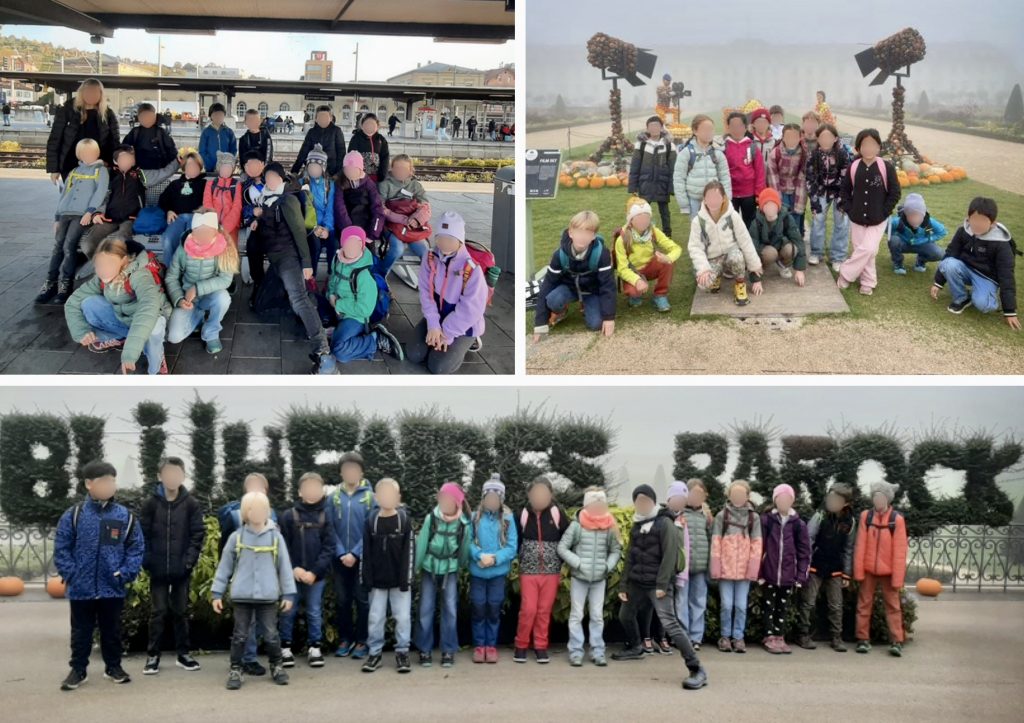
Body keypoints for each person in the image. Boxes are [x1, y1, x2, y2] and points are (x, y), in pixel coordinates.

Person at [54, 460, 144, 691]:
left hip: (111, 585)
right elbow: (62, 548)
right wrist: (72, 574)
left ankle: (113, 667)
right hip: (81, 587)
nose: (110, 485)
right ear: (89, 484)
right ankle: (78, 670)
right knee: (81, 631)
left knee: (112, 630)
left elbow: (136, 548)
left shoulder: (125, 516)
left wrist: (124, 573)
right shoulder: (74, 515)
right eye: (104, 481)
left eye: (112, 481)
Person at [611, 485, 707, 691]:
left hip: (658, 584)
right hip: (637, 582)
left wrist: (663, 585)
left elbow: (670, 555)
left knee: (670, 624)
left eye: (646, 500)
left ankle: (696, 668)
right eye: (638, 501)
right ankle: (636, 647)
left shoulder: (665, 523)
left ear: (653, 502)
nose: (642, 504)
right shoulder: (637, 524)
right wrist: (624, 584)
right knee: (625, 615)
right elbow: (630, 557)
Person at [212, 491, 296, 689]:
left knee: (271, 635)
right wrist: (217, 592)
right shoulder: (236, 538)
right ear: (245, 512)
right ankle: (236, 669)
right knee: (240, 634)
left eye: (261, 509)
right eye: (252, 509)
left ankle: (277, 666)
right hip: (242, 596)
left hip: (267, 596)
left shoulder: (276, 538)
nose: (257, 512)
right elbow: (224, 567)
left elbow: (284, 566)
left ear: (267, 511)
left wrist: (288, 593)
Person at [251, 162, 330, 359]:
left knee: (298, 300)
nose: (269, 181)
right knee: (260, 306)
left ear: (281, 179)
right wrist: (257, 220)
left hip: (288, 258)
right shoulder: (267, 199)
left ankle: (321, 344)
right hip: (275, 260)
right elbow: (272, 223)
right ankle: (302, 302)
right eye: (267, 177)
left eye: (273, 177)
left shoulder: (288, 200)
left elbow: (298, 232)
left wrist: (306, 264)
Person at [64, 236, 170, 374]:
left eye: (110, 264)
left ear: (124, 261)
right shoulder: (101, 277)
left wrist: (130, 354)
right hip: (127, 318)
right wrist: (80, 331)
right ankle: (124, 337)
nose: (104, 270)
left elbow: (148, 310)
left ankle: (156, 359)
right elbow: (73, 302)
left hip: (152, 318)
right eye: (99, 265)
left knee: (153, 331)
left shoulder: (140, 275)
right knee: (88, 303)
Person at [140, 457, 205, 675]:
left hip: (181, 569)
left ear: (183, 476)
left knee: (181, 612)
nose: (172, 478)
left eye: (177, 473)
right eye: (167, 473)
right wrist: (147, 560)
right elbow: (143, 535)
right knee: (158, 612)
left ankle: (183, 654)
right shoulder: (150, 503)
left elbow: (198, 535)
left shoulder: (191, 504)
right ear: (160, 476)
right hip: (157, 569)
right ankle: (153, 655)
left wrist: (188, 561)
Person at [216, 473, 278, 676]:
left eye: (260, 486)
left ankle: (270, 661)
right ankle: (246, 660)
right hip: (244, 580)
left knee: (267, 625)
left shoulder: (274, 516)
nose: (256, 489)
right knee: (245, 625)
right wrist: (223, 581)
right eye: (252, 485)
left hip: (266, 580)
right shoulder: (234, 515)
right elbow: (225, 547)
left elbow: (280, 553)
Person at [318, 225, 403, 374]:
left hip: (355, 316)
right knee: (311, 304)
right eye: (348, 243)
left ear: (362, 245)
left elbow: (365, 309)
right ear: (343, 244)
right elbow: (332, 281)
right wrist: (330, 295)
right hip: (337, 308)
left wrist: (338, 304)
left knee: (339, 352)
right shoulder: (337, 259)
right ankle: (335, 328)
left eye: (357, 244)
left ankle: (374, 340)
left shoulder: (364, 274)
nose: (352, 247)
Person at [35, 138, 109, 304]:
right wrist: (56, 217)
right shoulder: (74, 171)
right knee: (58, 246)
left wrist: (90, 212)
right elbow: (64, 195)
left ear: (97, 153)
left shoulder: (101, 171)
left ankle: (65, 283)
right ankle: (50, 282)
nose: (88, 156)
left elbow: (100, 193)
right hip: (65, 213)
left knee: (69, 245)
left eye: (91, 153)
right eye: (85, 153)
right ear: (80, 155)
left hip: (82, 215)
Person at [557, 486, 622, 667]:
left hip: (599, 580)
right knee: (576, 615)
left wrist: (606, 566)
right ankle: (576, 651)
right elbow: (562, 548)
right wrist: (577, 563)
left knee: (597, 616)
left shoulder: (609, 526)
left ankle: (598, 651)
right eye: (594, 504)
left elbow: (616, 550)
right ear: (586, 506)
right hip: (579, 578)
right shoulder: (576, 525)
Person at [932, 196, 1018, 328]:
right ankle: (962, 298)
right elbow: (950, 253)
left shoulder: (1001, 244)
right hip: (965, 269)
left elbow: (1007, 276)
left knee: (985, 306)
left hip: (987, 277)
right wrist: (938, 282)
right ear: (968, 217)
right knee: (948, 263)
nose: (977, 224)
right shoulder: (963, 231)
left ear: (993, 223)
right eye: (974, 219)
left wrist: (1010, 311)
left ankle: (983, 295)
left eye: (983, 220)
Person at [278, 472, 334, 669]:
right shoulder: (288, 515)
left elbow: (329, 548)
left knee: (313, 611)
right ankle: (285, 648)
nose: (312, 491)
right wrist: (293, 569)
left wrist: (314, 572)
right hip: (291, 575)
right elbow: (281, 546)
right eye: (307, 487)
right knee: (288, 611)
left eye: (316, 487)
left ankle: (315, 647)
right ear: (300, 491)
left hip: (316, 577)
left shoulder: (326, 515)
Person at [82, 144, 180, 257]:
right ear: (115, 161)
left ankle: (119, 270)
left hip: (131, 218)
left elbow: (164, 173)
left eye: (129, 158)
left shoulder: (140, 175)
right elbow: (99, 195)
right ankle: (101, 268)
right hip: (107, 218)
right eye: (123, 158)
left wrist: (178, 161)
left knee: (120, 241)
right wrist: (96, 213)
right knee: (88, 244)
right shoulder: (107, 175)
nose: (126, 161)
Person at [532, 210, 616, 340]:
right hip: (569, 288)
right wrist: (540, 325)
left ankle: (586, 305)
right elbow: (547, 286)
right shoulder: (559, 255)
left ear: (594, 236)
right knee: (552, 300)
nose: (582, 237)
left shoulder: (602, 254)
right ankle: (561, 310)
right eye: (579, 232)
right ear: (571, 233)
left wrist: (609, 318)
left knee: (596, 324)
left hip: (591, 291)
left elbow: (608, 286)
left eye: (588, 233)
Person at [837, 128, 901, 296]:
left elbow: (895, 193)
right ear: (858, 148)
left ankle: (845, 273)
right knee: (863, 250)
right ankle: (868, 282)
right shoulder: (853, 166)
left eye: (872, 144)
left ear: (878, 147)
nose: (868, 148)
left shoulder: (886, 167)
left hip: (878, 218)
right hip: (856, 217)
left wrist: (884, 211)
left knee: (869, 249)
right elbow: (844, 191)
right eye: (865, 145)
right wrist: (849, 209)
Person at [165, 209, 238, 354]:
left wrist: (197, 288)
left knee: (223, 298)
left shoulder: (223, 248)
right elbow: (171, 277)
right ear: (192, 231)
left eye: (207, 232)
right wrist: (179, 299)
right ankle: (198, 317)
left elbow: (225, 279)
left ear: (215, 232)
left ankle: (210, 332)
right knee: (174, 337)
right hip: (188, 299)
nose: (202, 236)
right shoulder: (183, 248)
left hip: (210, 295)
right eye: (199, 232)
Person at [360, 478, 414, 674]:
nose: (387, 498)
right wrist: (366, 580)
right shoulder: (371, 521)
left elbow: (409, 552)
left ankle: (402, 652)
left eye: (391, 494)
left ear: (398, 497)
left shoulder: (404, 521)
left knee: (403, 617)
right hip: (377, 582)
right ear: (376, 497)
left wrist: (406, 580)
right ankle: (374, 653)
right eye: (383, 494)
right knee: (375, 618)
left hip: (399, 582)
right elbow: (365, 553)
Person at [513, 476, 569, 664]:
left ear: (550, 495)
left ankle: (540, 645)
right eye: (536, 493)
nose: (539, 497)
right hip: (528, 570)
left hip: (552, 571)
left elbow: (567, 538)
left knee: (544, 610)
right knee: (528, 609)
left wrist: (563, 564)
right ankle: (521, 645)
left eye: (544, 493)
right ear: (529, 495)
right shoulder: (521, 513)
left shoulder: (557, 513)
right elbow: (516, 540)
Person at [416, 482, 471, 668]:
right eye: (442, 498)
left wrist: (460, 566)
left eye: (448, 499)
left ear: (457, 502)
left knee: (450, 610)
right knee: (425, 609)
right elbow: (422, 544)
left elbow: (464, 550)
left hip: (450, 569)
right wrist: (416, 567)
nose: (444, 502)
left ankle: (448, 650)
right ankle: (424, 649)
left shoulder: (463, 524)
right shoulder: (431, 519)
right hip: (429, 568)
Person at [795, 483, 856, 652]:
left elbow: (848, 549)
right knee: (808, 602)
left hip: (836, 567)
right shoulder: (820, 516)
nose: (831, 501)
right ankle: (803, 634)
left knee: (836, 604)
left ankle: (836, 637)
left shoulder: (850, 521)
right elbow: (808, 540)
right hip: (816, 565)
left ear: (845, 503)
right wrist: (804, 566)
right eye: (830, 497)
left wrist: (847, 574)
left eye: (836, 499)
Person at [329, 452, 375, 660]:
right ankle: (345, 639)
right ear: (341, 472)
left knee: (362, 600)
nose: (350, 472)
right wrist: (341, 553)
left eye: (354, 468)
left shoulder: (370, 497)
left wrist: (355, 553)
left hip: (361, 559)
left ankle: (362, 640)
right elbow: (329, 528)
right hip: (339, 559)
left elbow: (371, 529)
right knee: (342, 600)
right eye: (346, 469)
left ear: (361, 471)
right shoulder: (333, 497)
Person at [853, 481, 908, 657]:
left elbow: (900, 551)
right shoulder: (865, 517)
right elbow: (860, 545)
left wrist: (897, 579)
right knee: (863, 605)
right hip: (869, 570)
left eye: (881, 497)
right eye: (875, 496)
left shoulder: (896, 520)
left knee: (893, 606)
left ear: (888, 499)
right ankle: (862, 639)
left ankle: (897, 641)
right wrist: (858, 571)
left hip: (889, 572)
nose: (878, 500)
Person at [688, 180, 763, 306]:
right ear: (704, 200)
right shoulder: (698, 221)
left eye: (716, 197)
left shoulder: (733, 216)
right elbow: (695, 248)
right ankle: (716, 277)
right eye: (709, 198)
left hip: (731, 255)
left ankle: (740, 284)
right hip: (712, 258)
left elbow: (745, 240)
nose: (713, 201)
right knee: (704, 285)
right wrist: (703, 269)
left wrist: (755, 265)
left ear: (723, 198)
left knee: (737, 256)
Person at [468, 475, 518, 664]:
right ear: (483, 497)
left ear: (501, 499)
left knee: (494, 608)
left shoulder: (507, 519)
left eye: (496, 498)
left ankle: (491, 645)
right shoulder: (474, 517)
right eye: (488, 497)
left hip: (497, 573)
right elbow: (468, 542)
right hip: (478, 572)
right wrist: (479, 555)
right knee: (479, 607)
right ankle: (479, 646)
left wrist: (495, 558)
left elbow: (512, 547)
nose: (492, 501)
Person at [757, 483, 810, 654]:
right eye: (780, 498)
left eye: (788, 499)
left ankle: (780, 636)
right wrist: (758, 572)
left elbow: (804, 551)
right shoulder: (766, 520)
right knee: (768, 606)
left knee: (783, 606)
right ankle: (768, 635)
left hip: (788, 574)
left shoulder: (798, 524)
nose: (784, 502)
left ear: (792, 501)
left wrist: (801, 575)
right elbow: (759, 547)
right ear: (775, 500)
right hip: (769, 572)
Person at [710, 480, 762, 653]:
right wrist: (715, 568)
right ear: (729, 495)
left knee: (740, 605)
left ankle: (738, 637)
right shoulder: (721, 516)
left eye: (741, 494)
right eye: (734, 494)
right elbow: (716, 542)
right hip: (725, 570)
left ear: (747, 496)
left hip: (744, 571)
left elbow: (757, 544)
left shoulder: (754, 517)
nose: (737, 497)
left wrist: (753, 569)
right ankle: (725, 636)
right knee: (726, 605)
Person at [46, 78, 120, 182]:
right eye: (88, 92)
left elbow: (115, 142)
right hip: (70, 166)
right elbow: (55, 139)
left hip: (99, 167)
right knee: (74, 197)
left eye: (94, 92)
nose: (91, 95)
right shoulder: (67, 110)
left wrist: (113, 165)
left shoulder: (108, 114)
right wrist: (54, 169)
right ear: (81, 93)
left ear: (101, 94)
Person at [614, 200, 681, 312]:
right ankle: (634, 295)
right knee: (634, 293)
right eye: (639, 217)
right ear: (631, 220)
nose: (643, 220)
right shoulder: (622, 239)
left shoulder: (653, 231)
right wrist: (637, 280)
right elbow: (622, 269)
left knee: (668, 263)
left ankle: (660, 295)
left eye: (646, 217)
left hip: (650, 267)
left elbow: (676, 248)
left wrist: (668, 258)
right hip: (633, 271)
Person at [378, 154, 432, 276]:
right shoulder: (385, 185)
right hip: (392, 226)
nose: (400, 171)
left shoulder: (415, 186)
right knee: (397, 249)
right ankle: (381, 274)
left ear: (410, 170)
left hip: (411, 227)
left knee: (425, 252)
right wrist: (402, 219)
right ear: (391, 168)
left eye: (404, 169)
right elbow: (380, 207)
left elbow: (426, 206)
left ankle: (428, 281)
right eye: (397, 168)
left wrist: (416, 220)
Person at [806, 123, 851, 267]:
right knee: (818, 219)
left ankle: (838, 257)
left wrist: (843, 200)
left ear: (835, 138)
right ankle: (816, 252)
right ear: (818, 139)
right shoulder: (813, 155)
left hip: (839, 191)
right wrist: (814, 202)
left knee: (842, 221)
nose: (825, 140)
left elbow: (846, 178)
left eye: (829, 137)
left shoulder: (842, 154)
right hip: (820, 190)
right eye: (822, 137)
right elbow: (810, 178)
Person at [628, 115, 677, 237]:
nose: (654, 128)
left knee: (664, 211)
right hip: (646, 184)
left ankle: (667, 233)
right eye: (651, 126)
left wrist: (672, 187)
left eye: (657, 126)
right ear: (647, 128)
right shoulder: (641, 145)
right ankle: (641, 233)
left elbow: (673, 168)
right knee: (642, 211)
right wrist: (633, 187)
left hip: (662, 183)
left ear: (661, 128)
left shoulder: (669, 145)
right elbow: (635, 166)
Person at [674, 114, 731, 216]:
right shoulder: (686, 153)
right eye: (705, 129)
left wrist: (726, 199)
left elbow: (725, 178)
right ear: (695, 131)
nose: (709, 133)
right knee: (698, 230)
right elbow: (679, 179)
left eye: (711, 129)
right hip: (695, 201)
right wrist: (684, 203)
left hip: (715, 200)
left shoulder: (718, 153)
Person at [158, 151, 208, 268]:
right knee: (168, 240)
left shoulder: (204, 184)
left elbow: (209, 202)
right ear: (184, 167)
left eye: (196, 166)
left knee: (191, 241)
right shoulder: (175, 184)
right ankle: (171, 273)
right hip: (178, 217)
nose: (193, 168)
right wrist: (169, 211)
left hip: (195, 218)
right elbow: (163, 200)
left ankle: (189, 273)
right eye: (190, 165)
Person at [679, 480, 713, 649]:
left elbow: (711, 539)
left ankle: (696, 638)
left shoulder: (707, 516)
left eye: (700, 494)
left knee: (699, 602)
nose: (696, 497)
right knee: (681, 602)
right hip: (682, 568)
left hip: (700, 567)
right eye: (693, 494)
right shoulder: (679, 514)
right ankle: (683, 636)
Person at [749, 188, 806, 286]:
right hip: (765, 250)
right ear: (762, 207)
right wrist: (756, 279)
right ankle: (762, 267)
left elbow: (798, 241)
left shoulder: (786, 218)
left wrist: (799, 269)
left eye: (773, 204)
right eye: (767, 205)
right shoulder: (756, 222)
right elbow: (752, 248)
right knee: (770, 253)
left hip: (780, 245)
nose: (770, 208)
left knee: (791, 249)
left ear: (778, 206)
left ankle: (783, 264)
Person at [333, 151, 385, 249]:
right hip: (345, 225)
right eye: (347, 169)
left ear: (360, 169)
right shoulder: (340, 183)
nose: (350, 172)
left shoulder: (369, 185)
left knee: (368, 253)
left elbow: (377, 210)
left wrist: (372, 234)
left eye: (353, 169)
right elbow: (339, 207)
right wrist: (350, 230)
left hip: (365, 227)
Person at [887, 192, 947, 275]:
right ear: (906, 214)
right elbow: (887, 230)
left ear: (924, 214)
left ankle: (921, 260)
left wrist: (927, 239)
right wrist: (892, 230)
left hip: (922, 244)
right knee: (893, 240)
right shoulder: (898, 221)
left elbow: (942, 232)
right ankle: (898, 263)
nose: (915, 219)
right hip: (903, 244)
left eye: (919, 216)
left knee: (939, 253)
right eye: (911, 216)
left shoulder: (929, 222)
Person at [723, 111, 765, 226]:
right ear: (728, 128)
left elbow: (760, 171)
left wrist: (758, 193)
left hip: (749, 194)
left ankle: (750, 243)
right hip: (730, 193)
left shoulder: (752, 146)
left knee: (750, 222)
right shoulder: (724, 147)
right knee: (731, 223)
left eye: (739, 126)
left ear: (745, 127)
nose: (736, 129)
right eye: (733, 126)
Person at [300, 144, 336, 276]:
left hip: (325, 226)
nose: (313, 170)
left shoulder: (329, 185)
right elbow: (301, 209)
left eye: (317, 167)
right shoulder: (302, 183)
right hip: (309, 226)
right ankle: (311, 277)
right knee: (314, 246)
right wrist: (313, 227)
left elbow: (330, 209)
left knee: (334, 243)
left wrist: (327, 228)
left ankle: (332, 276)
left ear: (323, 168)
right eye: (311, 167)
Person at [766, 123, 808, 235]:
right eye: (788, 136)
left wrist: (800, 194)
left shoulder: (804, 154)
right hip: (780, 188)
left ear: (800, 138)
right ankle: (783, 240)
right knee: (782, 215)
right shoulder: (776, 153)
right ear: (783, 137)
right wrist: (777, 196)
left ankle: (796, 240)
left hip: (797, 188)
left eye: (795, 137)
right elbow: (772, 176)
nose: (791, 140)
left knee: (796, 214)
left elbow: (803, 176)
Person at [292, 105, 346, 176]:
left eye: (325, 117)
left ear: (331, 118)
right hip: (314, 171)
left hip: (331, 172)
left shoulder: (336, 131)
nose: (323, 119)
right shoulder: (311, 132)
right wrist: (294, 171)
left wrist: (338, 174)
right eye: (320, 117)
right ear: (316, 119)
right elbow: (303, 153)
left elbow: (341, 154)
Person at [121, 102, 176, 171]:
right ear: (139, 117)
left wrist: (171, 167)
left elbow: (171, 150)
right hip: (138, 170)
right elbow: (124, 148)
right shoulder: (135, 132)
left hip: (158, 171)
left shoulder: (161, 132)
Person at [202, 152, 243, 243]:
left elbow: (237, 207)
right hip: (213, 223)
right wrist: (214, 224)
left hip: (230, 225)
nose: (226, 170)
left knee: (229, 248)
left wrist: (225, 227)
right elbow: (207, 204)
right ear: (219, 167)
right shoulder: (210, 184)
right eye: (224, 167)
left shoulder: (236, 185)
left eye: (229, 168)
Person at [348, 113, 390, 184]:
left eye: (372, 124)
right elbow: (351, 156)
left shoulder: (381, 139)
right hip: (360, 176)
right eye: (367, 124)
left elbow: (385, 157)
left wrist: (383, 174)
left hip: (376, 176)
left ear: (377, 126)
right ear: (362, 125)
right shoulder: (356, 138)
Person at [198, 103, 237, 177]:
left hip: (226, 169)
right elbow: (202, 151)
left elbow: (233, 150)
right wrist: (209, 165)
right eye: (215, 114)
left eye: (220, 114)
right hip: (210, 169)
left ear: (224, 115)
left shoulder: (229, 132)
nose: (218, 117)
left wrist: (228, 163)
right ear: (210, 116)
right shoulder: (206, 132)